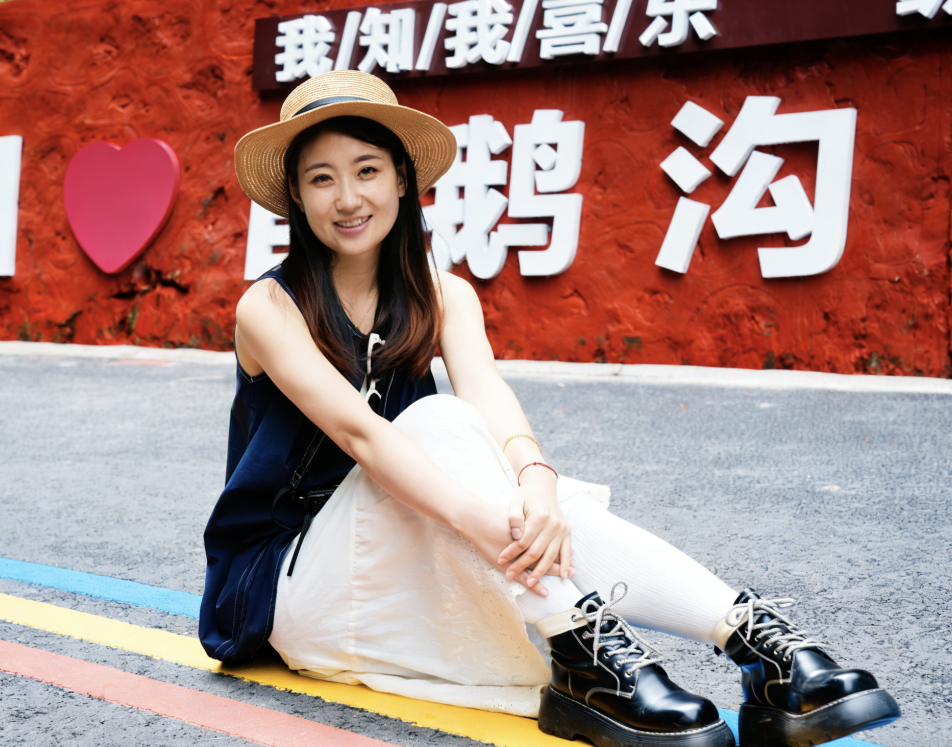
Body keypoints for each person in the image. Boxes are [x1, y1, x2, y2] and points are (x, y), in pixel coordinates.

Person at [201, 70, 900, 747]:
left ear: (403, 179)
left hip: (394, 561)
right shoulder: (269, 307)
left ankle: (752, 640)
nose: (348, 197)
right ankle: (582, 646)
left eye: (367, 170)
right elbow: (363, 436)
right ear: (296, 196)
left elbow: (488, 393)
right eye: (321, 178)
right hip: (288, 585)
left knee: (531, 490)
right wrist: (486, 521)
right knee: (436, 423)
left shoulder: (444, 294)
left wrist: (536, 481)